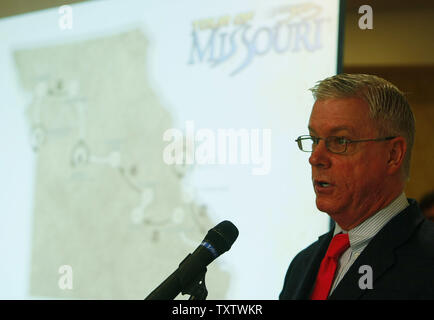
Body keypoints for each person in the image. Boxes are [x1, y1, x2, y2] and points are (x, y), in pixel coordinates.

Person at [280, 73, 434, 300]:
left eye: (340, 141)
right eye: (314, 140)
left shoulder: (427, 261)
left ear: (393, 155)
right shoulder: (302, 265)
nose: (316, 158)